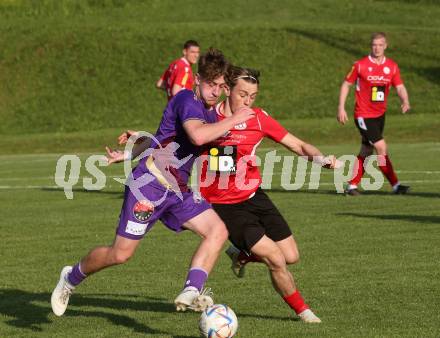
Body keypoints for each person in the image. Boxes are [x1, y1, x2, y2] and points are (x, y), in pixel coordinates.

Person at [51, 49, 256, 317]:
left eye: (221, 86)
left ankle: (192, 290)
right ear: (197, 79)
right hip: (148, 187)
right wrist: (234, 120)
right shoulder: (187, 100)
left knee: (217, 231)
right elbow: (196, 136)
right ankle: (71, 277)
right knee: (120, 255)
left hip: (178, 191)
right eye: (211, 84)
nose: (215, 91)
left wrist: (131, 149)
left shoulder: (210, 115)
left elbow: (165, 141)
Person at [197, 66, 341, 323]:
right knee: (275, 258)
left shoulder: (259, 118)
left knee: (291, 256)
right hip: (225, 205)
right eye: (243, 94)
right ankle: (303, 312)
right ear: (227, 90)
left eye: (253, 96)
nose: (247, 101)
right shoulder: (205, 117)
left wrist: (321, 160)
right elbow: (173, 143)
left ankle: (241, 254)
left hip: (254, 196)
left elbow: (296, 144)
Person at [337, 32, 411, 196]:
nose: (377, 48)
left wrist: (405, 100)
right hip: (363, 115)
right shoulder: (360, 65)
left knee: (366, 150)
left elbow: (399, 86)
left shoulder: (391, 66)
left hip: (379, 115)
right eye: (374, 45)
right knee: (381, 147)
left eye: (380, 45)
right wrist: (341, 107)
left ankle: (351, 187)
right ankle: (396, 185)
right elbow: (346, 85)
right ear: (371, 46)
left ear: (385, 46)